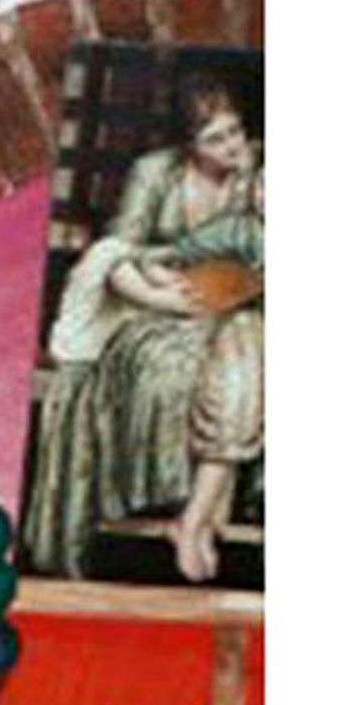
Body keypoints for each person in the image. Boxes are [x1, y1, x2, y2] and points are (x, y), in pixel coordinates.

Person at [22, 72, 263, 582]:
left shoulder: (261, 170)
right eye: (214, 139)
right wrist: (159, 295)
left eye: (235, 132)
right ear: (187, 145)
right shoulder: (155, 173)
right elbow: (118, 255)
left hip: (246, 310)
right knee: (166, 367)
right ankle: (189, 507)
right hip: (158, 306)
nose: (232, 147)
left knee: (245, 356)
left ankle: (202, 512)